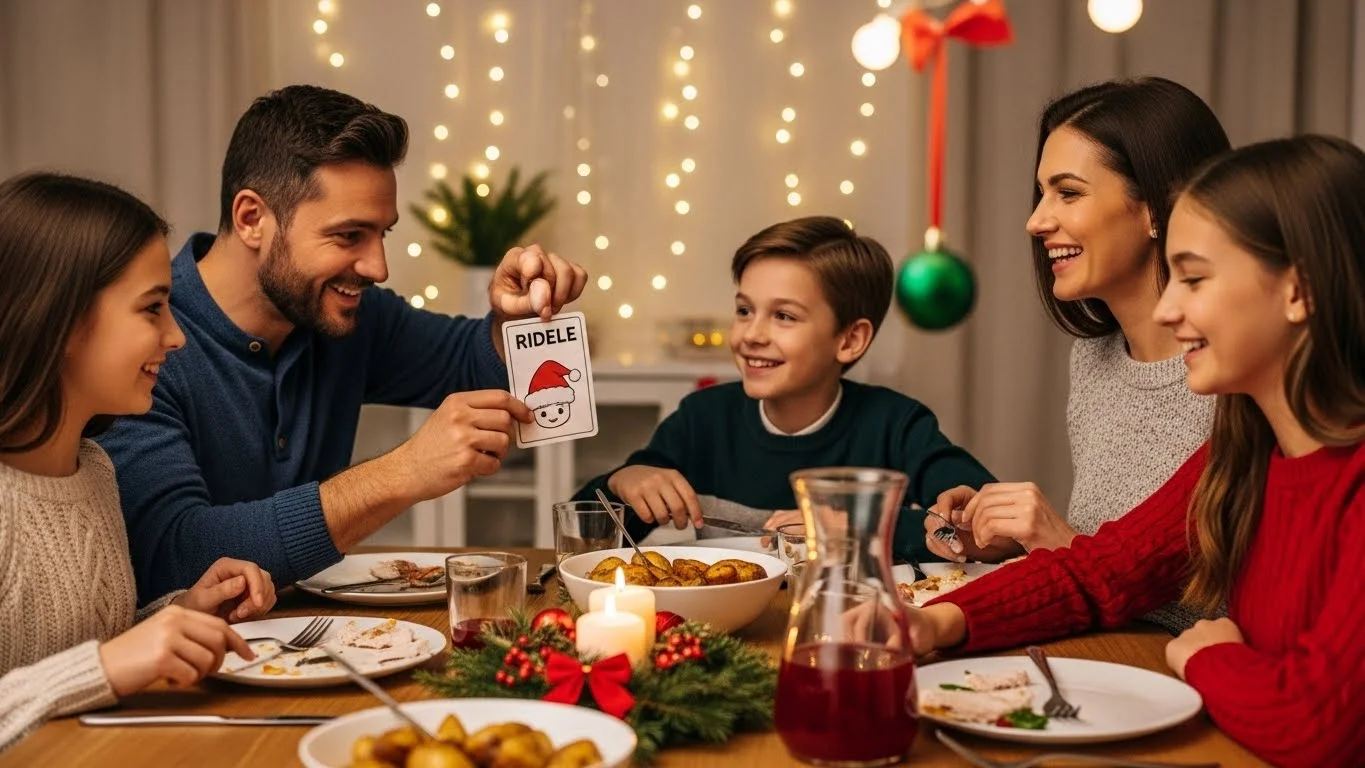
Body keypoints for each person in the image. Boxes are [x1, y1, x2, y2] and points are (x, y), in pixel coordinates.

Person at [907, 135, 1365, 768]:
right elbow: (1102, 571)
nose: (1169, 310)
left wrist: (1208, 658)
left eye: (1194, 279)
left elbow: (1319, 726)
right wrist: (935, 622)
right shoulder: (1245, 452)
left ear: (1298, 291)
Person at [96, 85, 588, 603]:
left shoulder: (347, 314)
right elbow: (172, 556)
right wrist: (402, 472)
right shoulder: (148, 344)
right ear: (251, 219)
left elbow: (472, 364)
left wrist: (515, 319)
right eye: (349, 235)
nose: (378, 267)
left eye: (382, 234)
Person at [924, 78, 1230, 632]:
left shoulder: (1243, 379)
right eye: (1041, 193)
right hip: (1101, 654)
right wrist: (1016, 539)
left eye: (1067, 193)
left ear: (1159, 207)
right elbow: (1106, 557)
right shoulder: (1093, 361)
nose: (1036, 221)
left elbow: (1232, 611)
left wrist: (1062, 547)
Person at [0, 173, 276, 750]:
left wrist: (182, 615)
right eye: (152, 308)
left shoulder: (94, 470)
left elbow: (79, 657)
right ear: (59, 319)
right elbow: (93, 668)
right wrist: (107, 665)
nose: (176, 337)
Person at [573, 216, 996, 563]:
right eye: (744, 310)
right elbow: (581, 539)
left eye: (784, 316)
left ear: (850, 340)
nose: (751, 335)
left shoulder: (897, 426)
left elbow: (991, 529)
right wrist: (619, 481)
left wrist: (858, 526)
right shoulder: (701, 420)